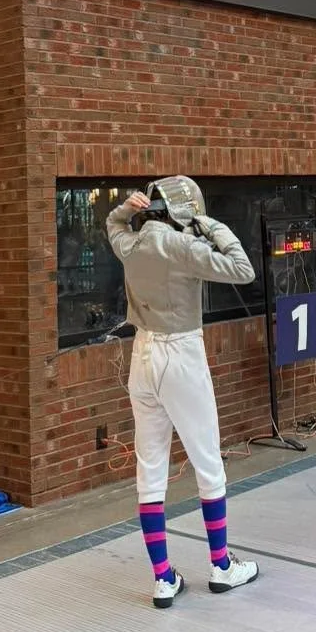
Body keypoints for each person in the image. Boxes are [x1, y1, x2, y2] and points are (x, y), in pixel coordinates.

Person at [106, 176, 259, 609]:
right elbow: (243, 269)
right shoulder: (183, 247)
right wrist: (207, 223)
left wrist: (123, 210)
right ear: (183, 210)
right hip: (181, 355)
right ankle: (222, 566)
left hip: (142, 357)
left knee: (150, 467)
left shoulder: (133, 243)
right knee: (207, 462)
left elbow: (113, 227)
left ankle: (162, 579)